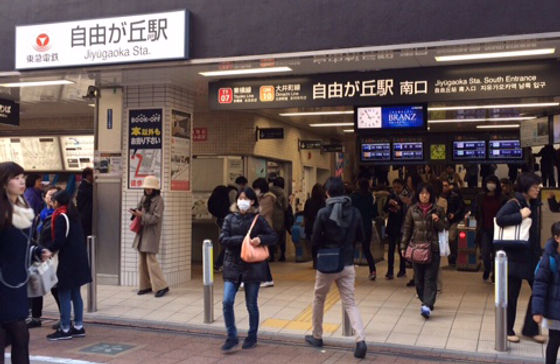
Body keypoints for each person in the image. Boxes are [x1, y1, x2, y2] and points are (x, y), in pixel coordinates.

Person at [305, 177, 367, 359]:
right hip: (347, 262)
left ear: (328, 193)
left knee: (319, 298)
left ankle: (317, 336)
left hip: (327, 263)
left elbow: (315, 239)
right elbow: (362, 236)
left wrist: (319, 252)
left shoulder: (324, 212)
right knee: (350, 301)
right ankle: (360, 340)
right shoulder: (354, 212)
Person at [0, 162, 51, 363]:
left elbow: (25, 243)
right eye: (15, 177)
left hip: (18, 282)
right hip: (3, 283)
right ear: (4, 182)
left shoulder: (24, 209)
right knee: (17, 335)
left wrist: (38, 251)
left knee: (18, 336)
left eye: (22, 176)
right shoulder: (2, 211)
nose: (21, 181)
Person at [219, 187, 277, 352]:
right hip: (232, 264)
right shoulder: (229, 218)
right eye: (239, 198)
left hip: (253, 266)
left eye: (245, 199)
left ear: (252, 201)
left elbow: (273, 237)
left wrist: (260, 239)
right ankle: (232, 336)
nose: (241, 202)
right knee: (227, 301)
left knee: (251, 304)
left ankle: (252, 336)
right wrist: (243, 240)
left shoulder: (258, 220)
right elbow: (222, 238)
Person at [496, 172, 545, 344]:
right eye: (535, 186)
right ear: (525, 187)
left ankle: (530, 328)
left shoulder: (533, 203)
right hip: (515, 256)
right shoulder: (514, 202)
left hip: (530, 257)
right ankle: (508, 329)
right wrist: (520, 215)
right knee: (512, 295)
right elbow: (500, 219)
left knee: (539, 292)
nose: (538, 188)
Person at [46, 190, 92, 341]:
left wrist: (48, 250)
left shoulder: (61, 216)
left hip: (67, 261)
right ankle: (78, 326)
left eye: (53, 201)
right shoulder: (74, 214)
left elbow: (60, 240)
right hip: (79, 259)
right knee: (75, 294)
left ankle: (65, 328)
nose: (51, 203)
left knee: (64, 293)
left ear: (58, 202)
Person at [401, 183, 447, 319]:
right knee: (419, 279)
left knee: (430, 278)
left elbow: (443, 227)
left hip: (433, 249)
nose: (424, 196)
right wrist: (403, 247)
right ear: (418, 195)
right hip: (417, 249)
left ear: (431, 195)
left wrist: (437, 220)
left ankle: (427, 305)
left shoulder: (438, 210)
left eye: (427, 193)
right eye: (422, 193)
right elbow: (407, 229)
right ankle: (425, 300)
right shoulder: (412, 210)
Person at [27, 186, 62, 329]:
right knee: (36, 284)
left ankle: (64, 317)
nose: (50, 198)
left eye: (53, 195)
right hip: (38, 252)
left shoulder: (59, 215)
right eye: (48, 195)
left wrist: (50, 250)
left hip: (51, 255)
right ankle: (36, 317)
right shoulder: (42, 213)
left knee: (54, 286)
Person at [130, 176, 169, 298]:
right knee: (142, 260)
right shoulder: (144, 198)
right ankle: (145, 285)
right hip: (142, 231)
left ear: (155, 189)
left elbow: (156, 218)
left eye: (149, 188)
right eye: (146, 188)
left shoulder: (159, 200)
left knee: (151, 260)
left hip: (151, 232)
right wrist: (135, 213)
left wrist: (142, 215)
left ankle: (162, 286)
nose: (147, 190)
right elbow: (140, 209)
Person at [532, 222, 560, 364]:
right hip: (555, 308)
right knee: (555, 341)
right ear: (557, 238)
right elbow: (540, 285)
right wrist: (537, 311)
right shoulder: (549, 258)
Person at [472, 176, 506, 281]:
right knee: (485, 253)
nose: (491, 185)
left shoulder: (502, 198)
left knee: (497, 253)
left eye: (493, 182)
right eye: (489, 182)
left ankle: (495, 274)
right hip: (485, 229)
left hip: (499, 230)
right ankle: (487, 268)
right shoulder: (480, 197)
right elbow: (476, 211)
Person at [350, 178, 377, 280]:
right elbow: (375, 213)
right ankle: (373, 271)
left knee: (351, 249)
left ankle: (350, 271)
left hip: (354, 226)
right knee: (366, 249)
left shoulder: (353, 197)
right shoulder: (371, 197)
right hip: (366, 226)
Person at [252, 178, 276, 287]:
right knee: (261, 255)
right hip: (259, 228)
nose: (255, 190)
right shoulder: (262, 198)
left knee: (261, 255)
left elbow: (260, 212)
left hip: (264, 228)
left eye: (256, 188)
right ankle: (266, 278)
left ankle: (267, 278)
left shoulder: (268, 198)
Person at [384, 179, 407, 279]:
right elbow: (385, 209)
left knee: (401, 249)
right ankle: (390, 271)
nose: (396, 189)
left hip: (401, 226)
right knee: (391, 249)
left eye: (398, 187)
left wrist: (398, 207)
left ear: (402, 187)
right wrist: (389, 204)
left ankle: (402, 270)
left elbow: (406, 211)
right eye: (395, 187)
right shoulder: (391, 196)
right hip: (392, 225)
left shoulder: (406, 197)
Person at [440, 180, 466, 267]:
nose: (444, 187)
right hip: (444, 220)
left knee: (451, 238)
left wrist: (454, 214)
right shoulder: (440, 197)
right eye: (443, 186)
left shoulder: (454, 196)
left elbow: (460, 207)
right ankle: (449, 257)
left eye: (446, 185)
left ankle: (453, 257)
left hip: (454, 220)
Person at [208, 185, 233, 271]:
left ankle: (220, 263)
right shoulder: (228, 195)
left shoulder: (217, 194)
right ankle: (219, 263)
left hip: (220, 219)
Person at [304, 184, 326, 268]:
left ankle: (315, 261)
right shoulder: (323, 202)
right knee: (320, 244)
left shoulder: (308, 201)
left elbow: (305, 215)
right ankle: (320, 260)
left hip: (310, 226)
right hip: (320, 227)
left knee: (313, 245)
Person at [269, 177, 289, 262]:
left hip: (270, 216)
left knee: (271, 236)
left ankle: (272, 255)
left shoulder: (268, 191)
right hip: (280, 217)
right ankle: (282, 255)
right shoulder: (283, 193)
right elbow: (286, 206)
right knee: (281, 237)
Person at [76, 167, 93, 238]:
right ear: (88, 176)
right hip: (86, 217)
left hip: (83, 216)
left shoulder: (82, 186)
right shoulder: (86, 187)